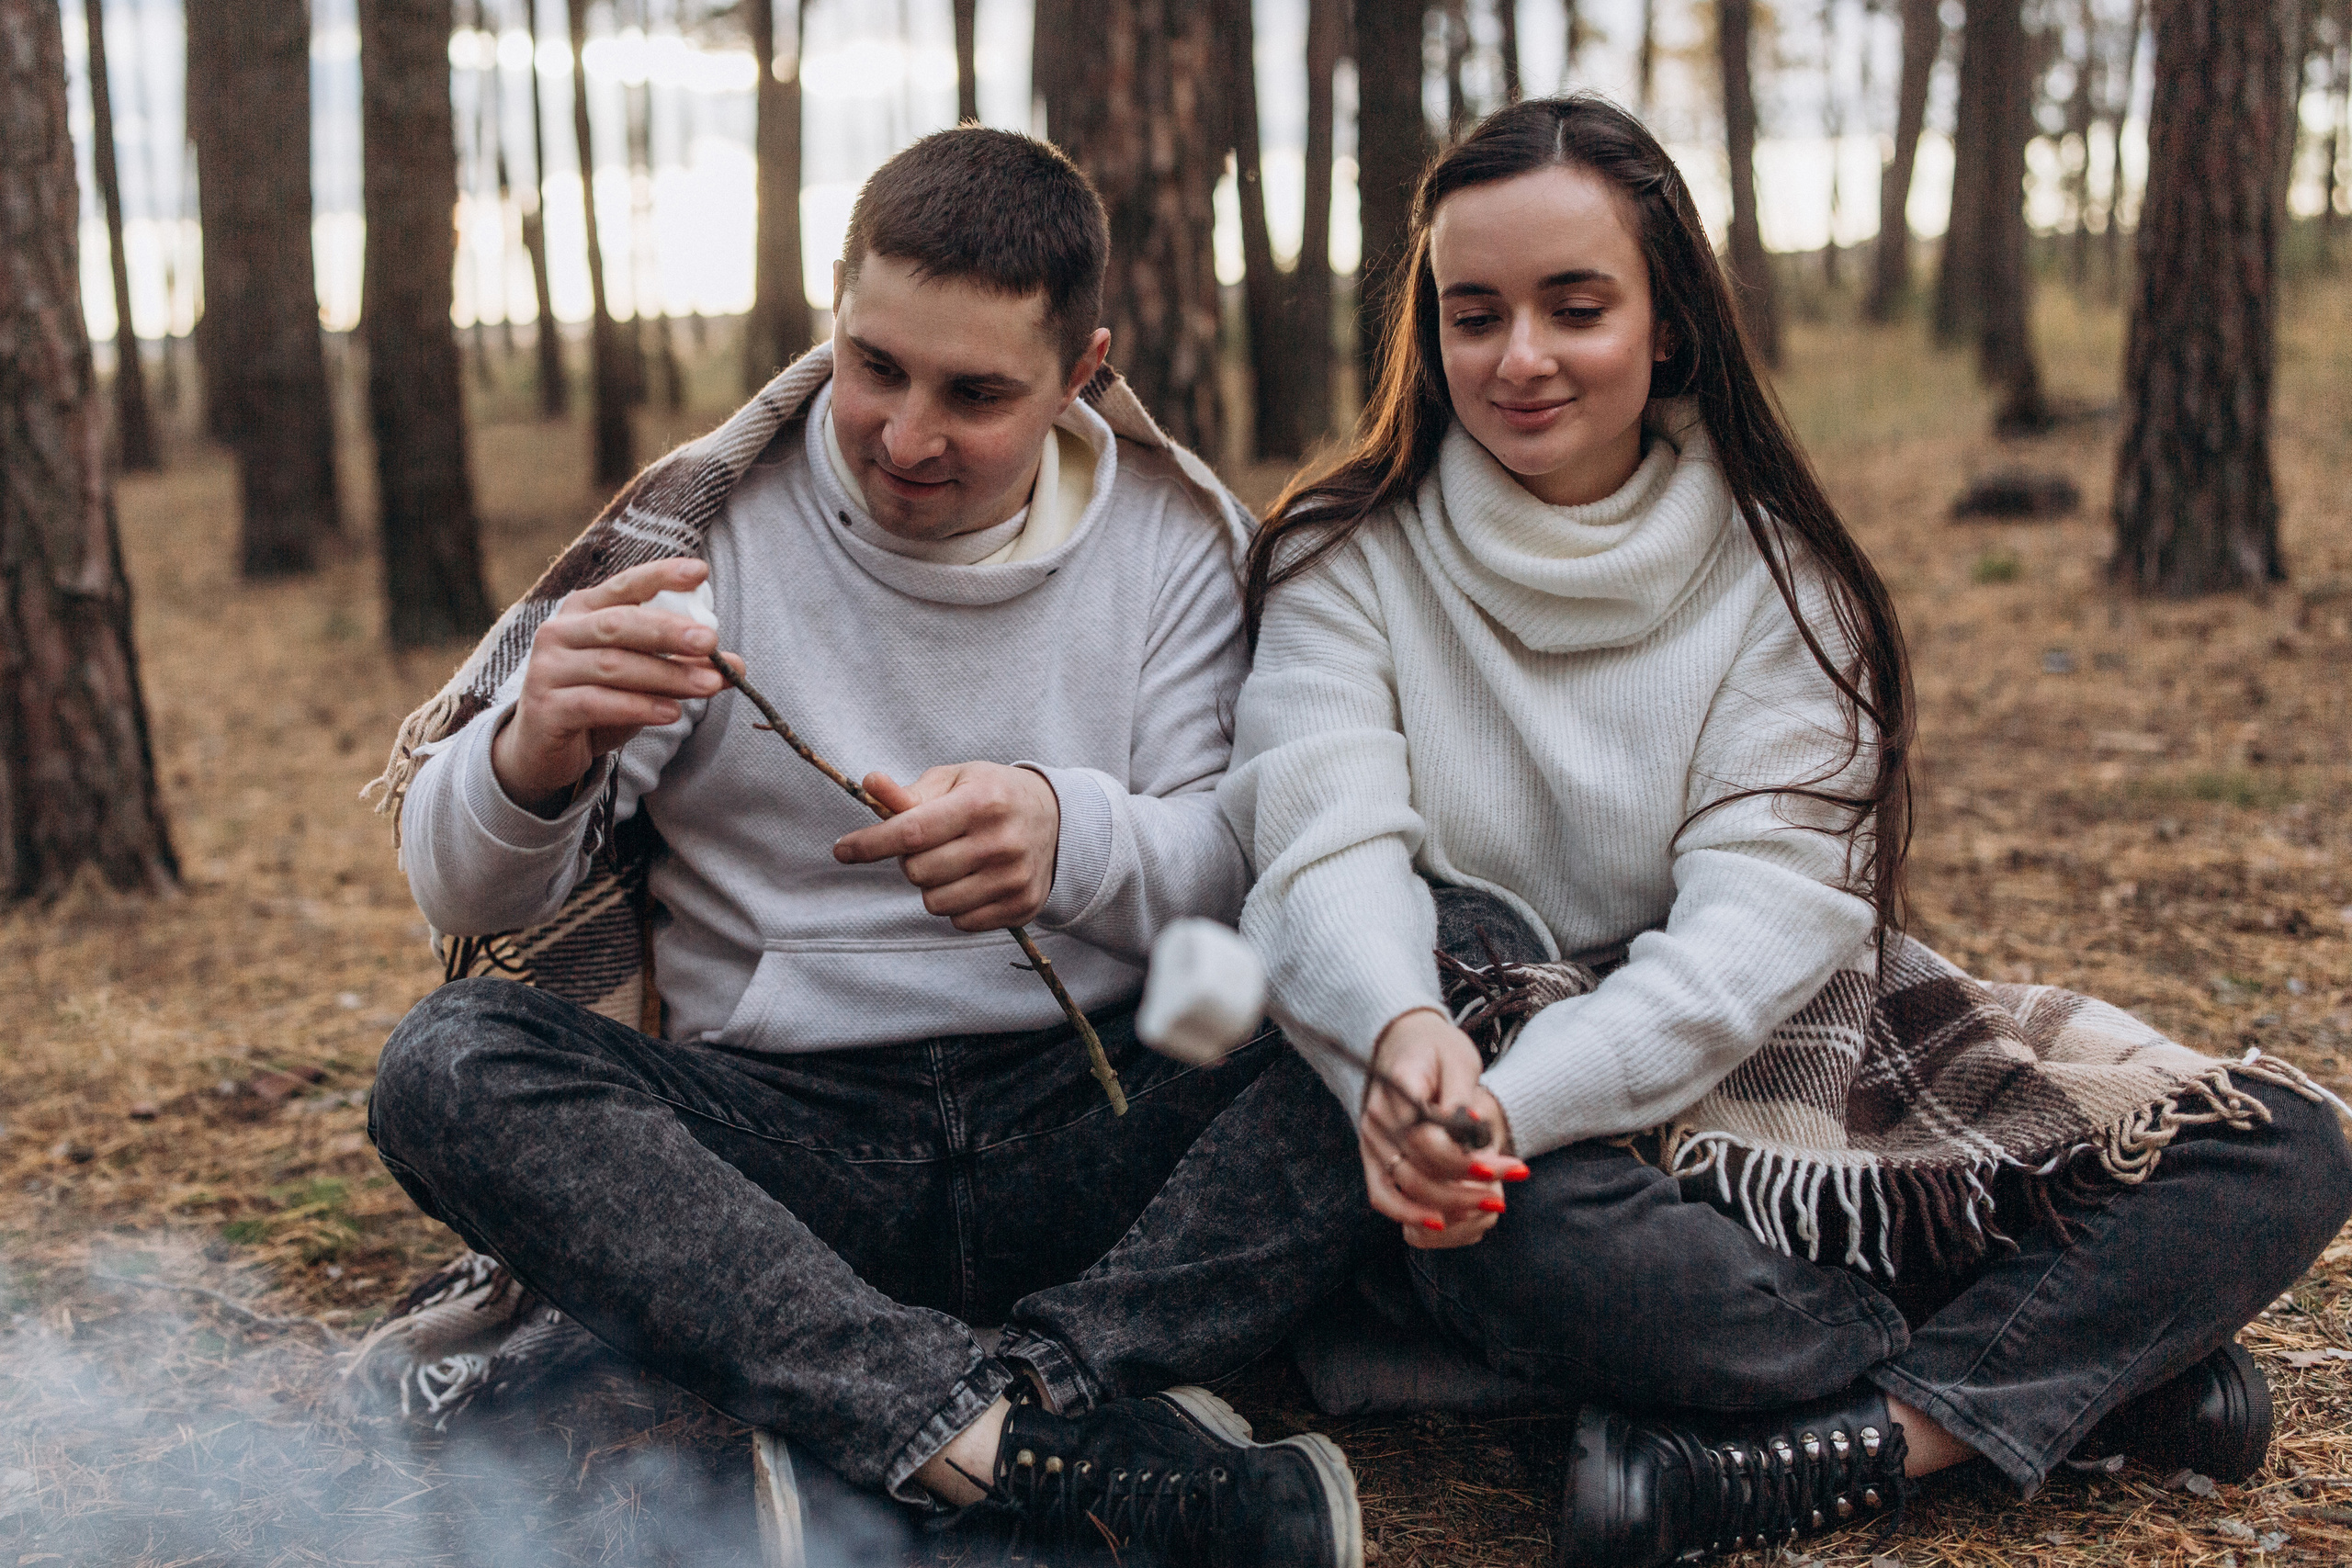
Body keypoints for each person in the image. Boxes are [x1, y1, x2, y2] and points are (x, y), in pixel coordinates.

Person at [1220, 95, 2352, 1567]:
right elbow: (1323, 848)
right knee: (1515, 1234)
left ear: (1670, 323)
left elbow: (1762, 929)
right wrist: (1400, 1047)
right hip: (1483, 1050)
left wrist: (1538, 1093)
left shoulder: (1785, 578)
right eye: (1473, 312)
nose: (1519, 358)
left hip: (1779, 1046)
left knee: (2286, 1149)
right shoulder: (1343, 552)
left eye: (1576, 306)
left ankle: (1877, 1437)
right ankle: (2100, 1380)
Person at [366, 127, 1374, 1568]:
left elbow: (1248, 880)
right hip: (783, 1161)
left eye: (976, 394)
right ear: (831, 316)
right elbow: (459, 895)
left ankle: (996, 1410)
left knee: (1435, 953)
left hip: (1091, 1137)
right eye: (874, 366)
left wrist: (1071, 838)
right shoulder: (703, 535)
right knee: (447, 1063)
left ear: (1084, 372)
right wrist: (535, 749)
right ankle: (1025, 1450)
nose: (906, 437)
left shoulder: (1168, 540)